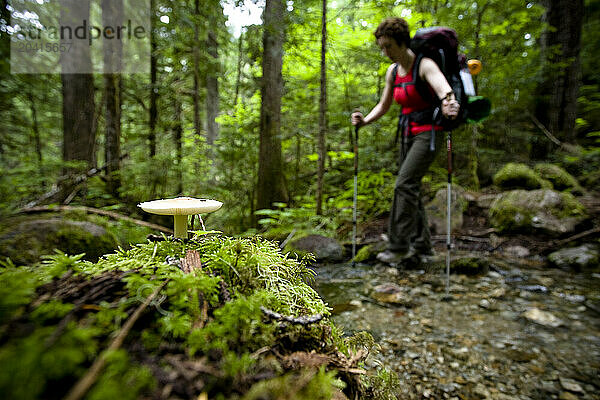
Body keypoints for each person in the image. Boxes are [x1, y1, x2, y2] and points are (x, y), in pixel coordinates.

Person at [351, 17, 459, 265]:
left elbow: (443, 88)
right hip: (408, 133)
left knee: (404, 184)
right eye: (381, 47)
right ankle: (423, 246)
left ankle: (397, 246)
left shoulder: (424, 65)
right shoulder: (393, 72)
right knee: (411, 187)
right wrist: (365, 121)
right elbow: (384, 105)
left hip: (429, 133)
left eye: (388, 45)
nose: (385, 51)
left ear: (402, 42)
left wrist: (448, 101)